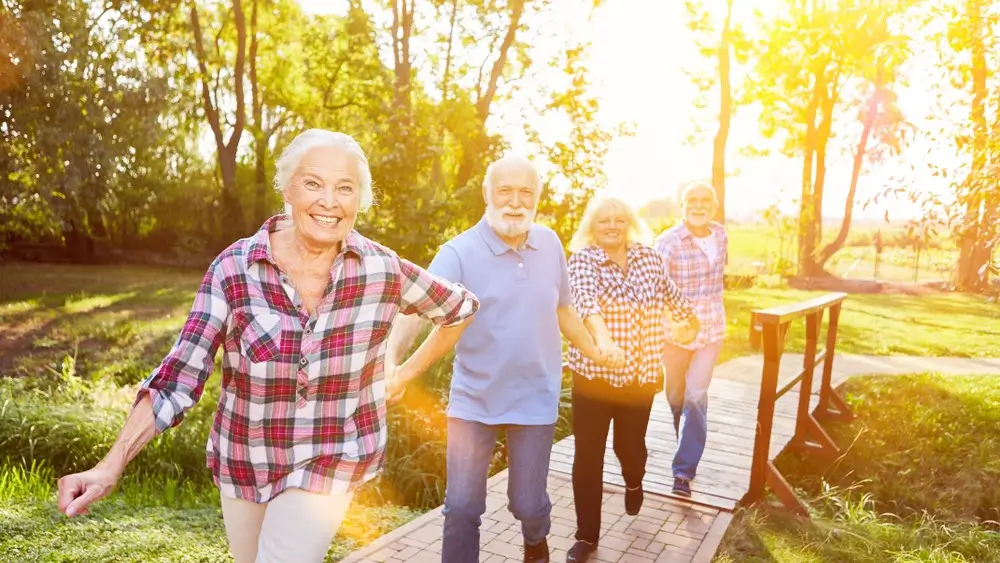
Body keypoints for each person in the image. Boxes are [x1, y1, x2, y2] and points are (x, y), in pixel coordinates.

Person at [54, 129, 480, 563]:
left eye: (345, 188)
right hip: (246, 456)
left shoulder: (382, 270)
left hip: (332, 456)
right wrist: (111, 464)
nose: (329, 201)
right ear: (287, 188)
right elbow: (178, 377)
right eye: (313, 183)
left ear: (359, 201)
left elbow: (460, 308)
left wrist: (403, 371)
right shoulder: (235, 269)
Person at [385, 154, 612, 563]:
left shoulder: (550, 244)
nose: (515, 201)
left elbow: (563, 310)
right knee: (462, 508)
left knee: (527, 504)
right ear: (486, 194)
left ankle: (535, 541)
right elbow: (415, 311)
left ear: (537, 198)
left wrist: (594, 349)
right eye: (505, 190)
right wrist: (394, 365)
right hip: (475, 399)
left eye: (525, 192)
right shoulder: (459, 252)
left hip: (536, 397)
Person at [562, 196, 699, 562]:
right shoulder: (583, 261)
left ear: (628, 224)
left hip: (640, 376)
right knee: (587, 455)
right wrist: (603, 341)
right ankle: (586, 536)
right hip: (594, 375)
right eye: (604, 220)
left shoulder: (649, 258)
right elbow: (586, 303)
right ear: (592, 226)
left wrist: (691, 322)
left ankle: (634, 480)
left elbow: (674, 297)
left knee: (630, 448)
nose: (611, 225)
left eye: (618, 220)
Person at [655, 181, 728, 499]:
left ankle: (683, 471)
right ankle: (685, 441)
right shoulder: (667, 242)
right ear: (682, 206)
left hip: (711, 331)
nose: (699, 206)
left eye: (705, 201)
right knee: (675, 398)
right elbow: (654, 288)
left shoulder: (721, 235)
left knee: (696, 395)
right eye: (692, 200)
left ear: (713, 206)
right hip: (674, 335)